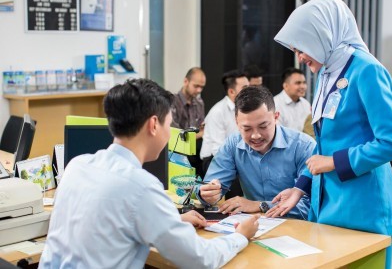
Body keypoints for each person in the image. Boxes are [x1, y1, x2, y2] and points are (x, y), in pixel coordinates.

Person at [39, 78, 259, 269]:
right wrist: (240, 236)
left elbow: (107, 221)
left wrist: (172, 219)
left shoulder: (77, 166)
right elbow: (200, 259)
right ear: (154, 124)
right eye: (169, 125)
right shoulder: (141, 186)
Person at [265, 0, 392, 268]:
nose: (301, 57)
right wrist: (301, 187)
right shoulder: (327, 73)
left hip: (364, 207)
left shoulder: (367, 70)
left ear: (324, 35)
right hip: (329, 203)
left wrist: (334, 162)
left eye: (303, 48)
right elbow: (324, 143)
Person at [195, 85, 315, 220]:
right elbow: (210, 186)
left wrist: (261, 205)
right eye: (247, 129)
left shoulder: (304, 146)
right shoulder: (233, 144)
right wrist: (207, 194)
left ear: (276, 117)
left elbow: (311, 206)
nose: (255, 136)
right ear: (237, 123)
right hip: (253, 227)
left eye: (263, 126)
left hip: (297, 229)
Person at [200, 70, 249, 173]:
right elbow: (218, 150)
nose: (249, 91)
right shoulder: (218, 112)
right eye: (245, 88)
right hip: (213, 160)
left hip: (236, 157)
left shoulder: (244, 108)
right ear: (231, 91)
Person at [171, 67, 207, 176]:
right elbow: (177, 136)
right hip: (179, 151)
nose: (199, 90)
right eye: (196, 86)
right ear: (186, 81)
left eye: (202, 87)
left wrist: (200, 133)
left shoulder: (199, 102)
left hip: (196, 150)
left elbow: (202, 129)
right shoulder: (172, 102)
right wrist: (200, 133)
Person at [274, 67, 311, 132]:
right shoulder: (275, 104)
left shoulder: (306, 104)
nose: (303, 86)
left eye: (304, 83)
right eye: (298, 83)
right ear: (286, 86)